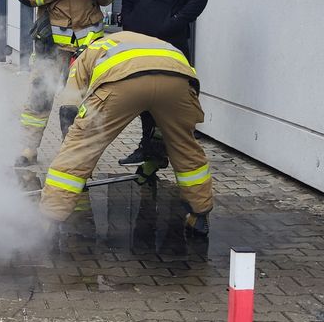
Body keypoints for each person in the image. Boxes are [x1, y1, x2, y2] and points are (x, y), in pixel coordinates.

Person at [39, 30, 213, 235]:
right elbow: (167, 115)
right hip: (178, 82)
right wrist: (154, 154)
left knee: (80, 146)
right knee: (185, 146)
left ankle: (50, 218)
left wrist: (74, 148)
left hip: (122, 82)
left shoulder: (87, 53)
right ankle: (199, 217)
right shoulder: (149, 41)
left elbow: (69, 107)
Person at [12, 0, 115, 166]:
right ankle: (28, 149)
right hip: (51, 46)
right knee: (39, 96)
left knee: (77, 104)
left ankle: (73, 155)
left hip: (88, 47)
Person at [117, 0, 208, 165]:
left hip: (173, 46)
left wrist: (173, 22)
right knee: (146, 99)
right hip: (142, 47)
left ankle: (181, 155)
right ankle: (150, 149)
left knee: (176, 102)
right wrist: (129, 23)